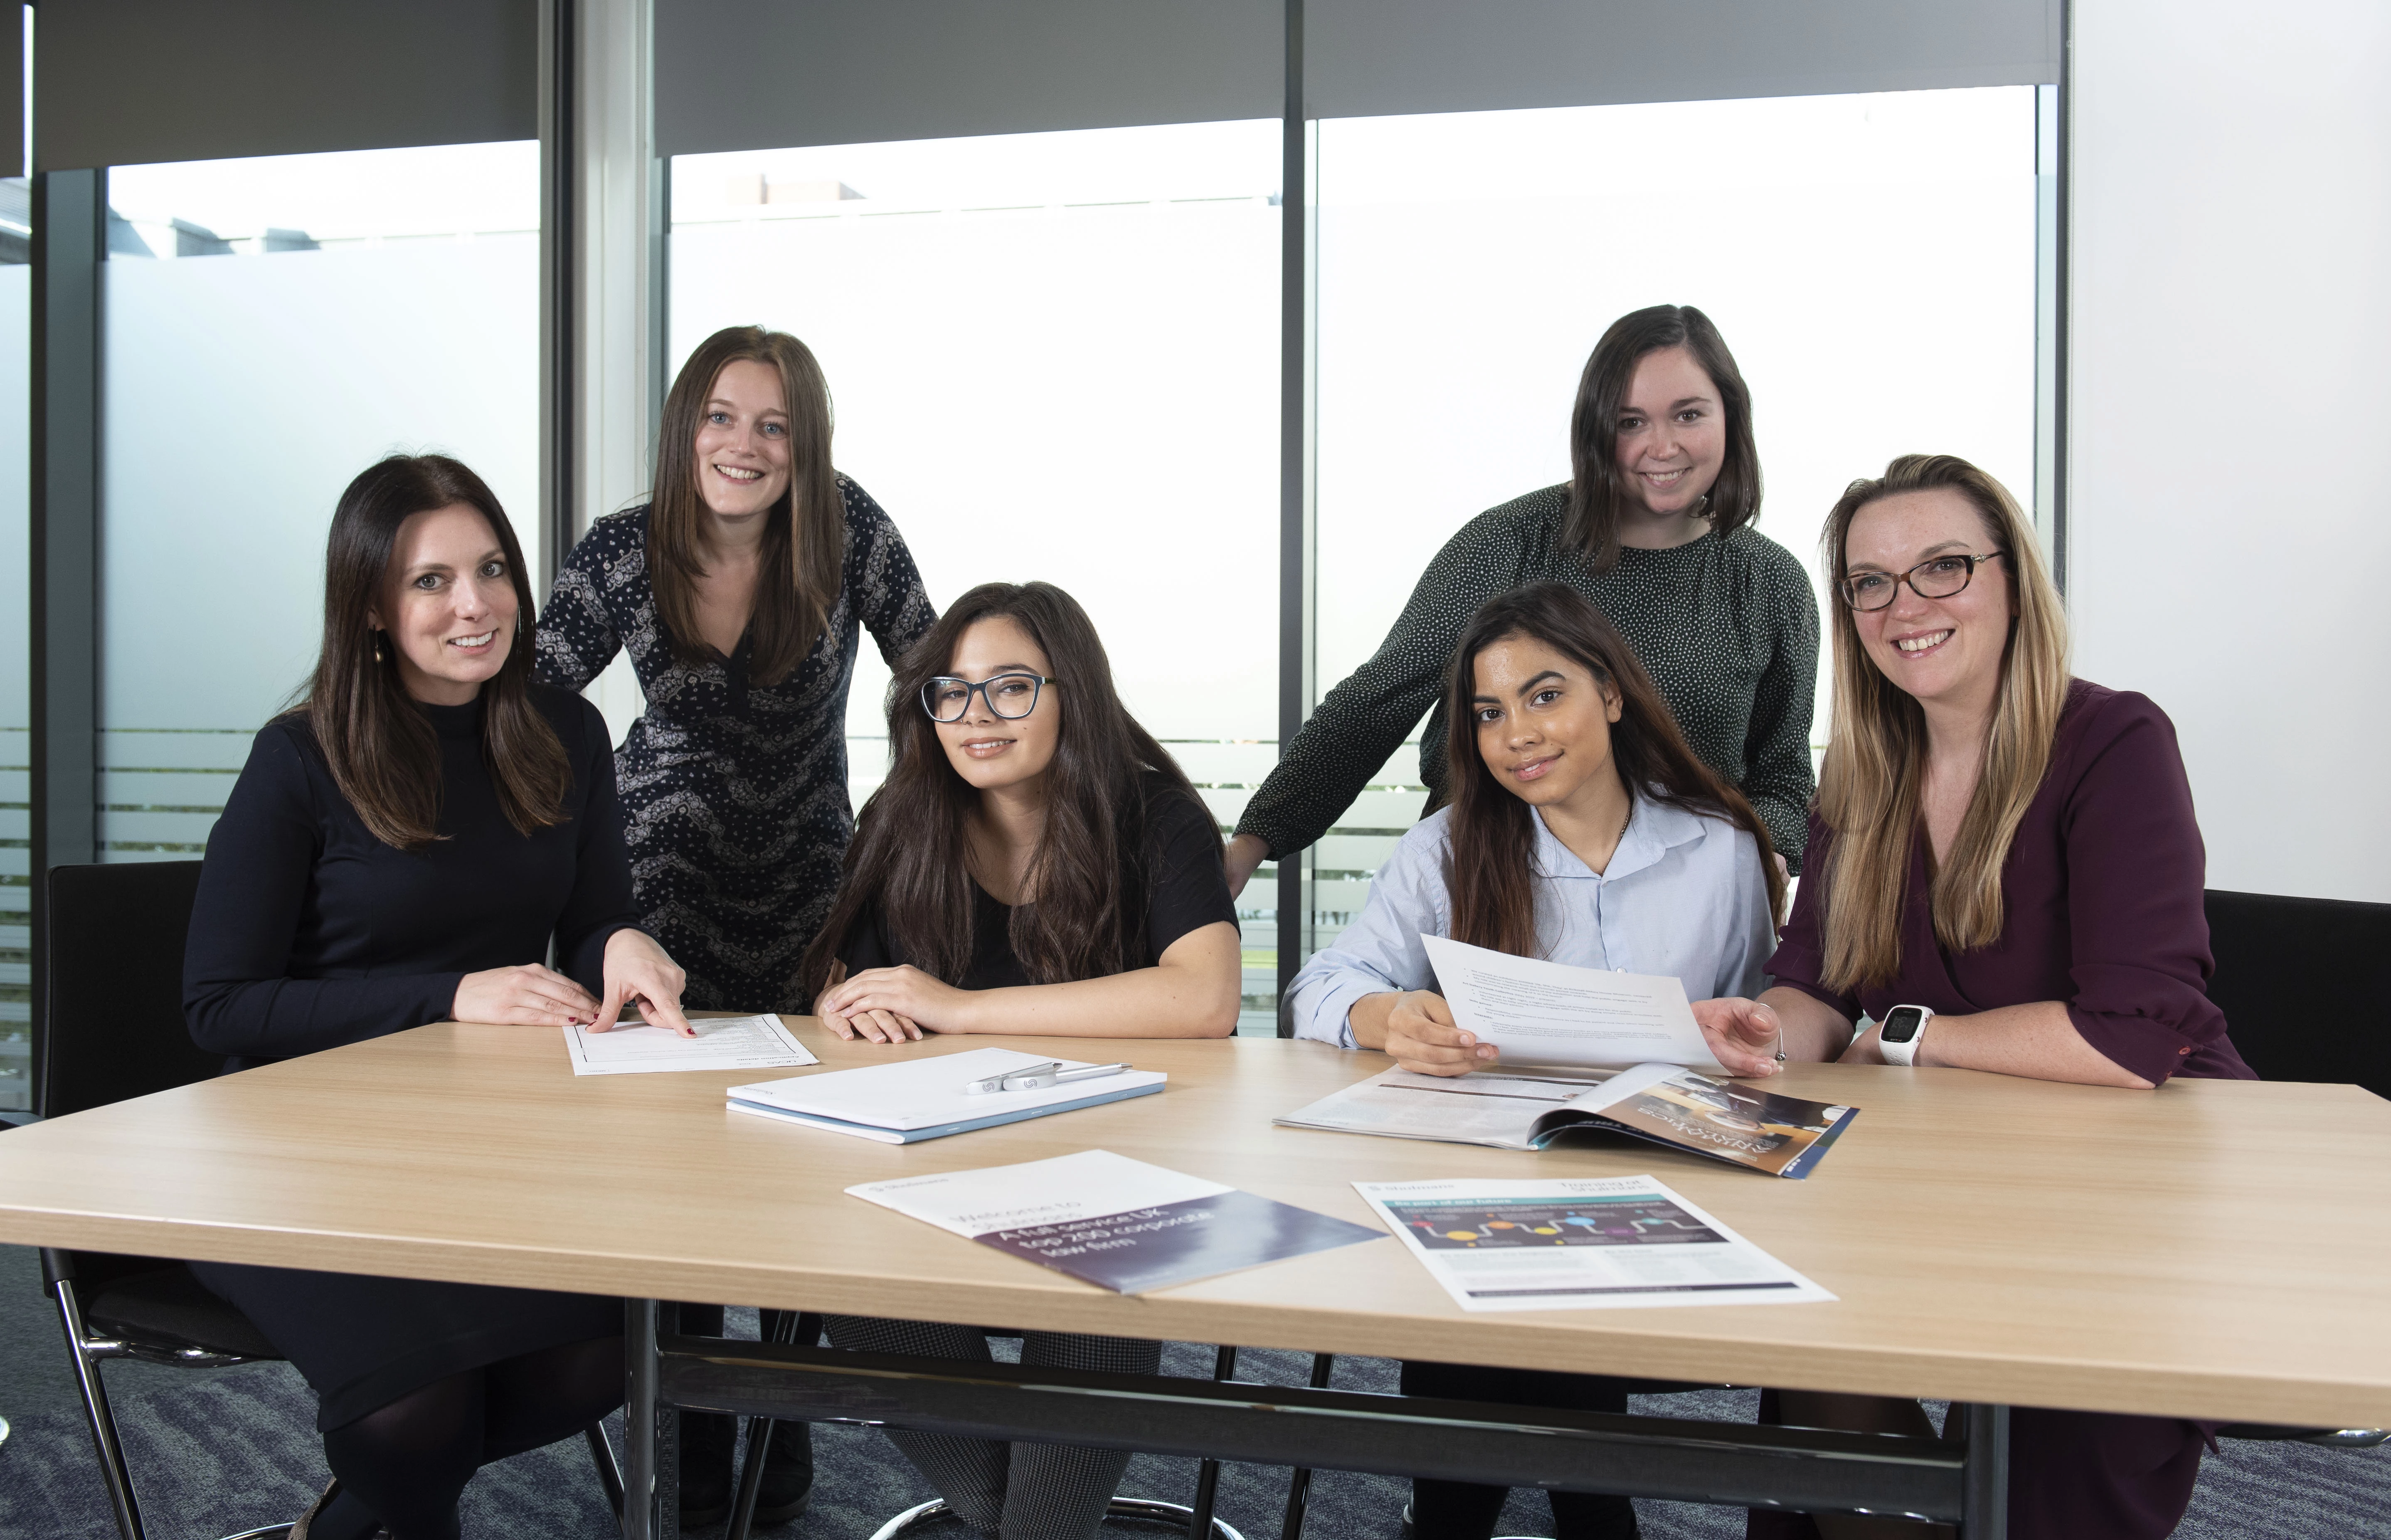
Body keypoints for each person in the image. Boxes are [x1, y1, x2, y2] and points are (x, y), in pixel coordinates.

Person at [1694, 454, 2251, 1540]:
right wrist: (1761, 1028)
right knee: (1810, 1384)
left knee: (2046, 1482)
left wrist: (1905, 1037)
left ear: (2012, 581)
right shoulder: (1865, 774)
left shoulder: (2115, 743)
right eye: (1872, 582)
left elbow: (2129, 1038)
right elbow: (1817, 979)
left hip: (2130, 1201)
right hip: (1943, 1181)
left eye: (1942, 567)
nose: (1907, 605)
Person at [183, 455, 693, 1540]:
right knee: (416, 1415)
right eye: (432, 581)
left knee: (628, 1336)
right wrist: (450, 995)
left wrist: (628, 944)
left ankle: (365, 1516)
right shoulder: (300, 759)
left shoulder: (564, 734)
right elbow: (221, 1006)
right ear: (370, 605)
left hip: (482, 1146)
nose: (477, 605)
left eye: (493, 569)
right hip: (285, 1154)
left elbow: (595, 917)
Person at [1284, 580, 1786, 1540]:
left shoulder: (1719, 848)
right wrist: (1388, 1014)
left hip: (1661, 1193)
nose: (1516, 733)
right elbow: (1318, 987)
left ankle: (1455, 1515)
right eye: (1488, 712)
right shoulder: (1446, 846)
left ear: (1610, 693)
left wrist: (1745, 1033)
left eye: (1543, 695)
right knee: (1502, 1272)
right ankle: (1586, 1512)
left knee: (1507, 1306)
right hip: (1482, 1187)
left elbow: (1767, 1033)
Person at [535, 323, 935, 1519]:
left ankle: (785, 1440)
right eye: (720, 415)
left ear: (804, 443)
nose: (744, 444)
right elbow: (530, 710)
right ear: (685, 428)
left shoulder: (850, 527)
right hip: (654, 896)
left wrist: (908, 849)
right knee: (677, 1188)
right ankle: (693, 1463)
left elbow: (934, 678)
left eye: (772, 423)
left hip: (816, 888)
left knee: (801, 1173)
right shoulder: (622, 547)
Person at [799, 581, 1240, 1540]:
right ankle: (1019, 1516)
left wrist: (960, 1012)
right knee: (833, 1272)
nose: (974, 716)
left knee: (1087, 1309)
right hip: (935, 1175)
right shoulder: (903, 818)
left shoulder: (1154, 816)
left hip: (1116, 1185)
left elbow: (1204, 998)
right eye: (950, 692)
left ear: (1069, 692)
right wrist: (846, 1003)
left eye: (1009, 687)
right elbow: (852, 986)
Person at [1225, 304, 1819, 897]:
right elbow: (1373, 707)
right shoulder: (1508, 545)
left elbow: (1784, 779)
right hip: (1491, 892)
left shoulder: (1771, 584)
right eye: (1629, 422)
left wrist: (1764, 855)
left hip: (1682, 908)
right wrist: (1251, 844)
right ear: (1594, 429)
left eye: (1688, 415)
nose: (1661, 447)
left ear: (1730, 416)